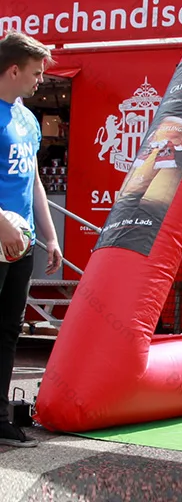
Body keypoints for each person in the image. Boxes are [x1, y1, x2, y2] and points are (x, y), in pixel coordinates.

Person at [0, 32, 63, 447]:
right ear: (14, 69)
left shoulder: (26, 117)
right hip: (1, 232)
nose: (41, 80)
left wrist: (50, 235)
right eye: (37, 73)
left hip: (20, 243)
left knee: (8, 330)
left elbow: (35, 179)